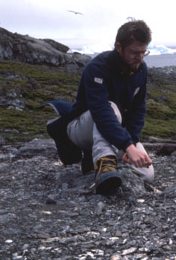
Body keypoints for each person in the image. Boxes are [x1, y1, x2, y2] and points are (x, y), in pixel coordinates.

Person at [48, 18, 154, 196]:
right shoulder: (97, 68)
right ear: (119, 47)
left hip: (114, 132)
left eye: (144, 52)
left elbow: (138, 110)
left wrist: (133, 142)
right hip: (81, 128)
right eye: (135, 52)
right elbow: (100, 112)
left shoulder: (140, 70)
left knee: (147, 174)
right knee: (110, 108)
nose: (140, 58)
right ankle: (104, 167)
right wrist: (127, 146)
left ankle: (95, 161)